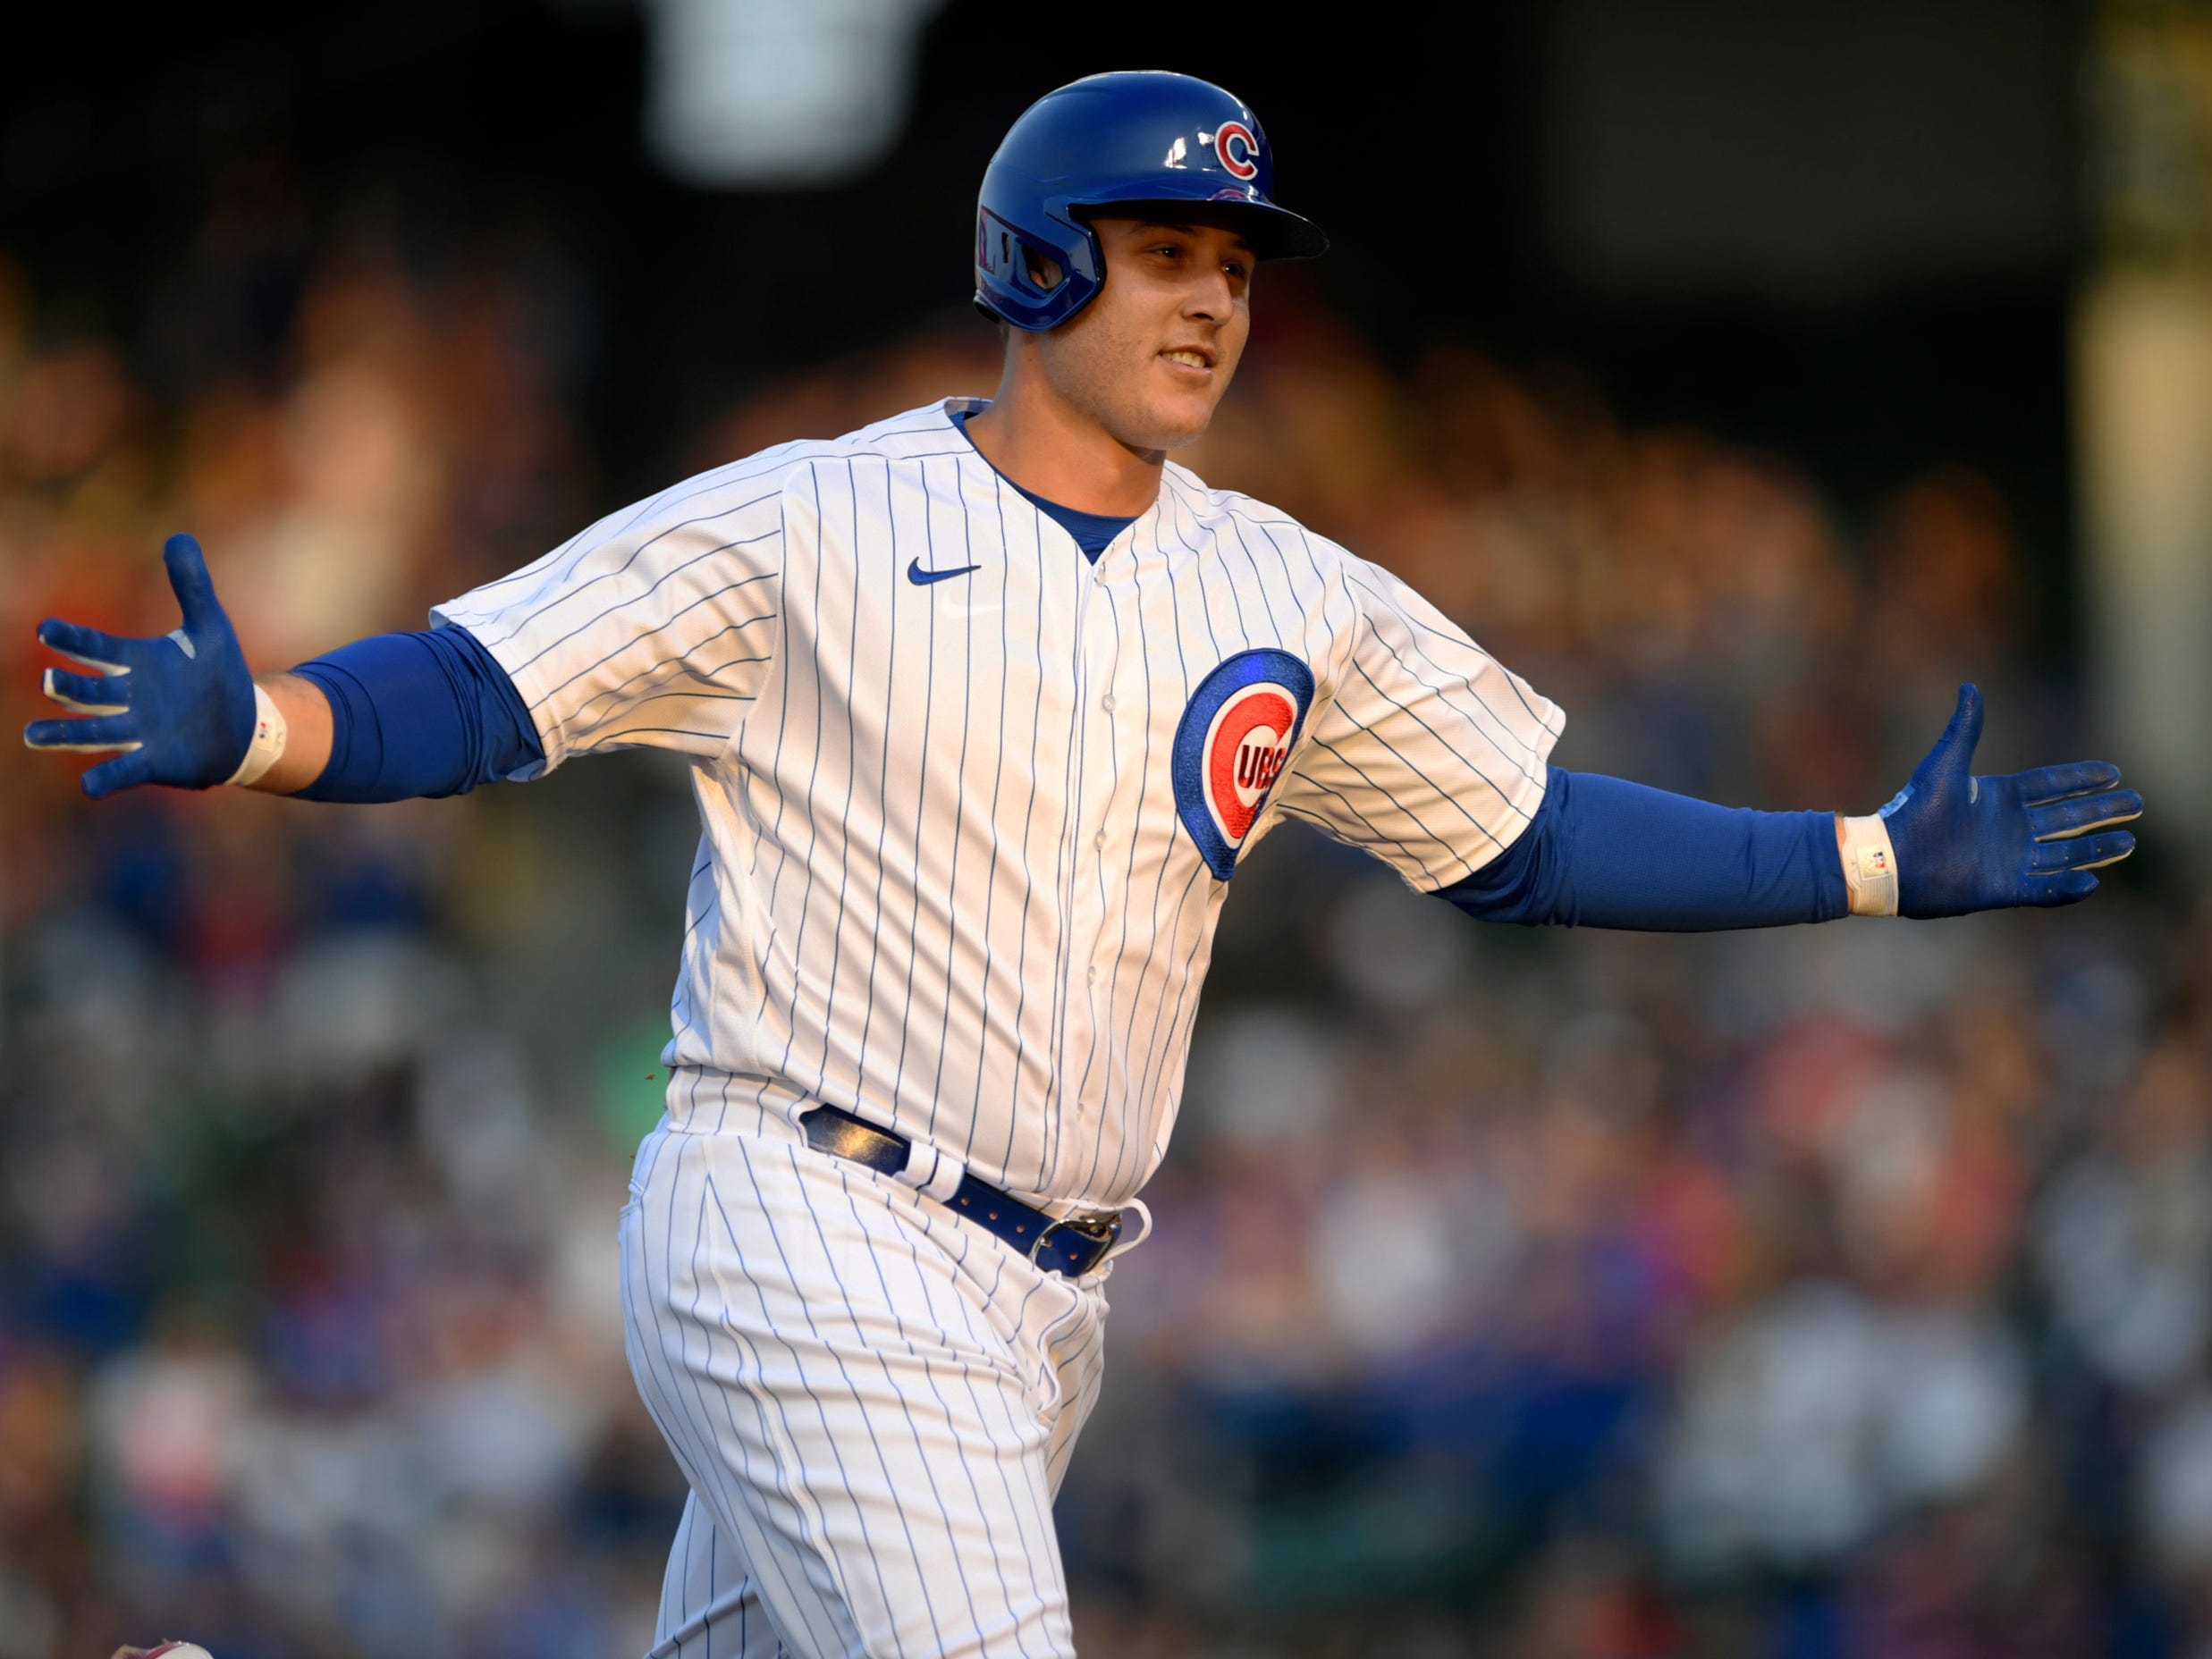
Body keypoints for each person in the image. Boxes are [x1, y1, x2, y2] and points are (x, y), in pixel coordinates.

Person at [36, 71, 2140, 1659]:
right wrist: (273, 727)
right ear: (1038, 264)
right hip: (804, 1218)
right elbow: (495, 683)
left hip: (1045, 1299)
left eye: (1233, 266)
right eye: (1166, 253)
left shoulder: (1285, 587)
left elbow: (1526, 836)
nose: (1215, 299)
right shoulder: (811, 519)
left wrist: (1859, 860)